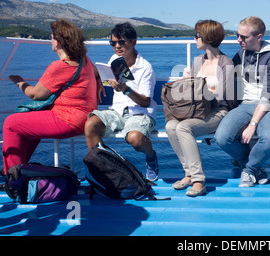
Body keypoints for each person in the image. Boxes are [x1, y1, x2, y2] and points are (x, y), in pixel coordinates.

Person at [3, 19, 98, 171]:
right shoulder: (84, 60)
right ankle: (20, 168)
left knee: (10, 123)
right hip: (86, 117)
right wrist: (99, 86)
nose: (51, 40)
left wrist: (19, 81)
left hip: (68, 121)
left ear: (59, 42)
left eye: (52, 37)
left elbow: (35, 95)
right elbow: (96, 73)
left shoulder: (60, 66)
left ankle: (12, 177)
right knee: (29, 122)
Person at [166, 20, 237, 196]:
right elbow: (193, 90)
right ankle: (188, 173)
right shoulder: (198, 61)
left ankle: (199, 180)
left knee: (183, 127)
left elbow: (223, 98)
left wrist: (199, 87)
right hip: (196, 110)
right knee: (170, 126)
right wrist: (186, 83)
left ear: (208, 38)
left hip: (218, 111)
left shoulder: (226, 64)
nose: (195, 38)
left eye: (197, 35)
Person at [84, 22, 159, 181]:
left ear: (133, 42)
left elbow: (145, 102)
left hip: (140, 113)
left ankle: (151, 156)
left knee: (135, 139)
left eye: (122, 42)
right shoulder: (114, 59)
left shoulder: (145, 68)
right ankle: (103, 172)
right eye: (113, 43)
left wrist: (126, 89)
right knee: (91, 125)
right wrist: (99, 80)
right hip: (117, 111)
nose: (117, 46)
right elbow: (99, 70)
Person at [215, 16, 270, 187]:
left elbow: (268, 97)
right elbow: (227, 71)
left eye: (243, 37)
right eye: (237, 35)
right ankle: (253, 165)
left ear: (258, 37)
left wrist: (253, 124)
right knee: (222, 138)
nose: (239, 40)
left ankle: (248, 170)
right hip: (245, 104)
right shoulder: (242, 52)